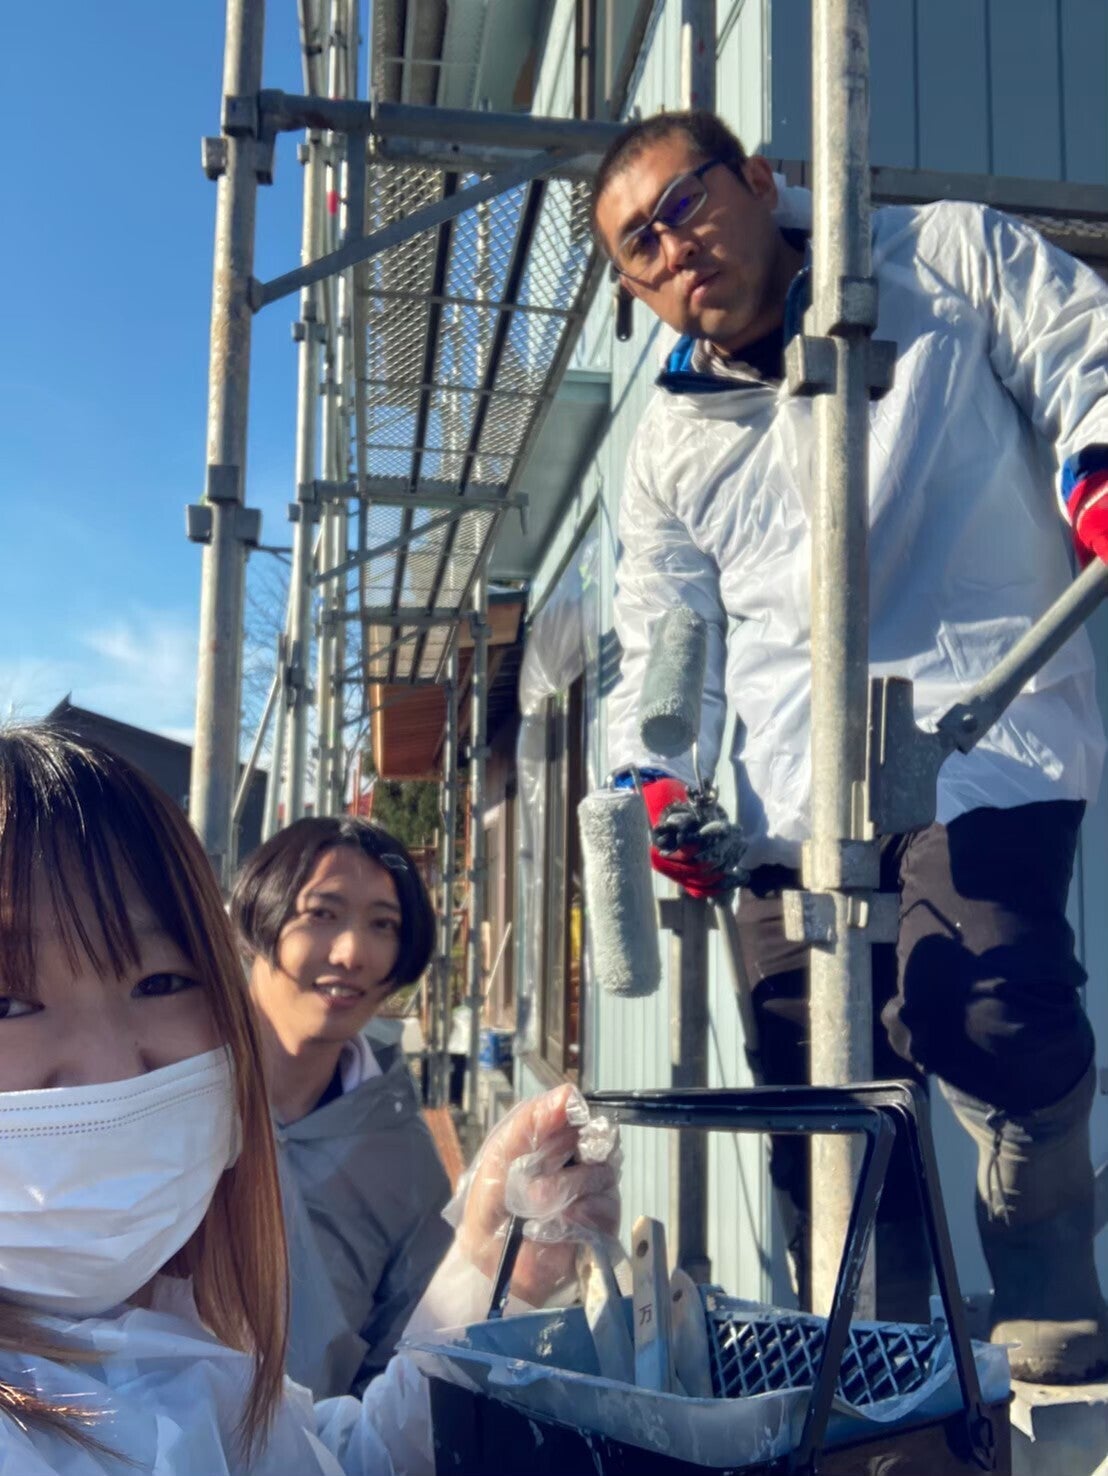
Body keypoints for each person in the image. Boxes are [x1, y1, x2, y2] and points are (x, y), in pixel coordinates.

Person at [592, 108, 1108, 1382]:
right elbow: (666, 634)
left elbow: (1080, 347)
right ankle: (875, 1361)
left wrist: (1097, 460)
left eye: (682, 203)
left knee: (986, 1001)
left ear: (758, 178)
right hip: (786, 784)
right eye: (637, 247)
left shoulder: (943, 260)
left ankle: (1037, 1230)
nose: (672, 249)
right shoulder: (669, 442)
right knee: (815, 1091)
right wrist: (658, 776)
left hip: (979, 715)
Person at [0, 723, 620, 1474]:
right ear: (253, 927)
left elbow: (322, 1453)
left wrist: (494, 1267)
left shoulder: (186, 1338)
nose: (111, 1073)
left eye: (159, 982)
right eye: (7, 1001)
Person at [232, 816, 453, 1398]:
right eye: (322, 914)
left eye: (383, 925)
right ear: (258, 917)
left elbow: (405, 1359)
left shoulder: (404, 1160)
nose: (353, 952)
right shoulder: (165, 1089)